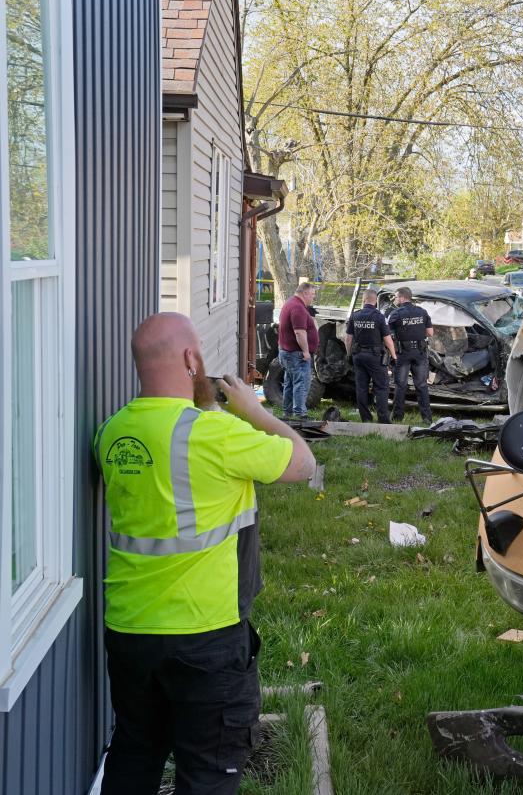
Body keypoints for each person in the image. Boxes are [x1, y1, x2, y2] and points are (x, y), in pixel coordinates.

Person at [94, 312, 316, 794]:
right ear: (192, 360)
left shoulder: (112, 433)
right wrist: (255, 412)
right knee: (210, 769)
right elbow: (303, 465)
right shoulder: (216, 435)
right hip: (204, 636)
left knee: (135, 750)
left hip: (130, 631)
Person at [345, 289, 396, 423]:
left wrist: (349, 354)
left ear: (364, 299)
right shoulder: (379, 316)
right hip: (375, 357)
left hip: (358, 356)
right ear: (375, 301)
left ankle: (366, 418)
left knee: (361, 387)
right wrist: (394, 355)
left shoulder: (355, 316)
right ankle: (383, 419)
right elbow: (387, 339)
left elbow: (348, 339)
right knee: (381, 387)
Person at [386, 286, 434, 424]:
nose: (395, 300)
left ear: (402, 297)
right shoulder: (422, 312)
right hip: (419, 353)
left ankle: (397, 417)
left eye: (395, 297)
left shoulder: (396, 314)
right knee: (422, 386)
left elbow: (387, 334)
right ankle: (427, 418)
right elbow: (430, 333)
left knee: (401, 385)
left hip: (403, 353)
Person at [277, 281, 319, 419]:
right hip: (296, 353)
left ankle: (287, 413)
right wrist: (306, 352)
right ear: (305, 293)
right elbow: (300, 333)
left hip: (287, 352)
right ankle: (301, 414)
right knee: (301, 383)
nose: (313, 297)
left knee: (289, 382)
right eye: (312, 294)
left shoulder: (290, 303)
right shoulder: (298, 308)